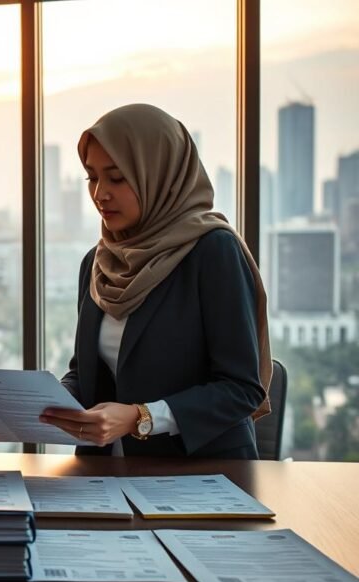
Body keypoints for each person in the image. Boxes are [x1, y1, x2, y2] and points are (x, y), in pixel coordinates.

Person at [41, 104, 271, 459]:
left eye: (117, 177)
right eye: (92, 177)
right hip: (104, 476)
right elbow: (86, 372)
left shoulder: (213, 251)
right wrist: (47, 401)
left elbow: (241, 388)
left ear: (160, 175)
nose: (101, 193)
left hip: (202, 476)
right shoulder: (98, 263)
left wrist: (140, 418)